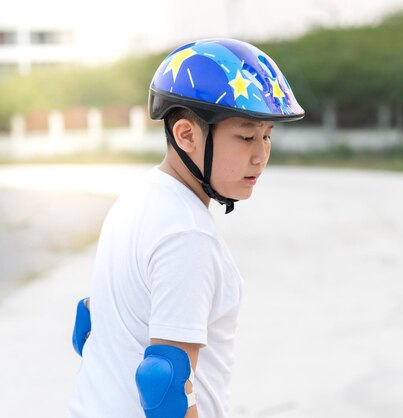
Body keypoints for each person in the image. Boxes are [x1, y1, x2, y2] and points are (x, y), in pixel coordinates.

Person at [68, 38, 304, 418]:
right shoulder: (187, 234)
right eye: (245, 136)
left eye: (267, 136)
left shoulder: (136, 198)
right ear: (187, 135)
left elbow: (92, 325)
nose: (260, 155)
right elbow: (164, 386)